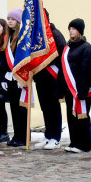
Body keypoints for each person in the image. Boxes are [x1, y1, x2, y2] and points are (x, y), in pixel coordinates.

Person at [62, 19, 91, 153]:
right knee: (71, 115)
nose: (71, 31)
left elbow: (85, 71)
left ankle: (84, 144)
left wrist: (82, 90)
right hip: (70, 88)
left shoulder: (87, 48)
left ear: (80, 31)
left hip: (81, 89)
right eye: (70, 28)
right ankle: (74, 142)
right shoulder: (68, 48)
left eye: (74, 29)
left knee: (82, 116)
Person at [35, 10, 67, 150]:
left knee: (53, 107)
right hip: (41, 77)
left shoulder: (55, 34)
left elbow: (62, 56)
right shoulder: (35, 35)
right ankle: (48, 135)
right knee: (45, 107)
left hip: (52, 77)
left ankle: (55, 137)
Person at [6, 8, 28, 147]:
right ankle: (16, 134)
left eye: (13, 19)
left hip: (21, 77)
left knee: (21, 108)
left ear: (18, 21)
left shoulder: (22, 37)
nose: (10, 21)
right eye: (9, 19)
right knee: (14, 107)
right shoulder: (9, 37)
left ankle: (24, 135)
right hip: (11, 77)